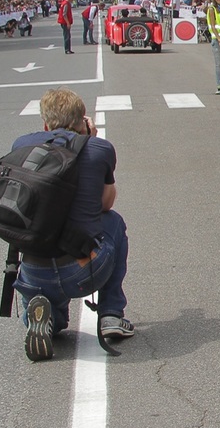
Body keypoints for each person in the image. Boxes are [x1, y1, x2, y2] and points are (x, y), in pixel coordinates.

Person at [11, 88, 133, 360]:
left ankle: (44, 314)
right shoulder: (98, 149)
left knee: (57, 325)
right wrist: (90, 141)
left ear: (45, 123)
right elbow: (106, 203)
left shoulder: (22, 145)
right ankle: (111, 313)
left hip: (34, 268)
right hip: (82, 270)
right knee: (113, 222)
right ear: (83, 121)